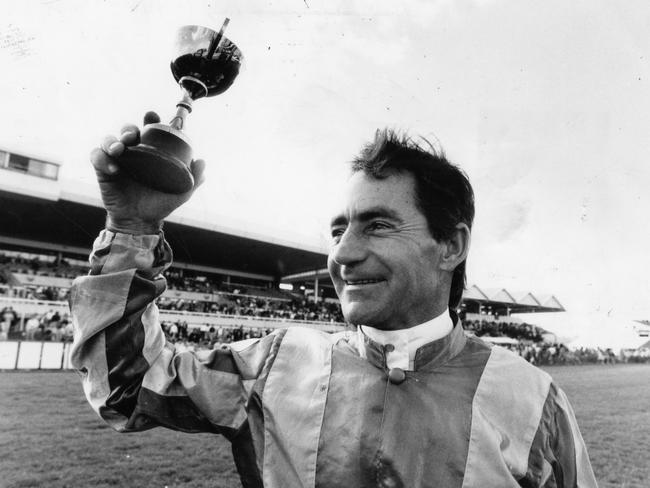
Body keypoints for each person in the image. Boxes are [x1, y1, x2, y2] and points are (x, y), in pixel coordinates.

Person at [70, 113, 597, 487]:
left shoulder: (534, 401)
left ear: (451, 246)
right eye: (338, 229)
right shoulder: (274, 367)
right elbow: (127, 389)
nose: (342, 254)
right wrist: (133, 227)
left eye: (378, 225)